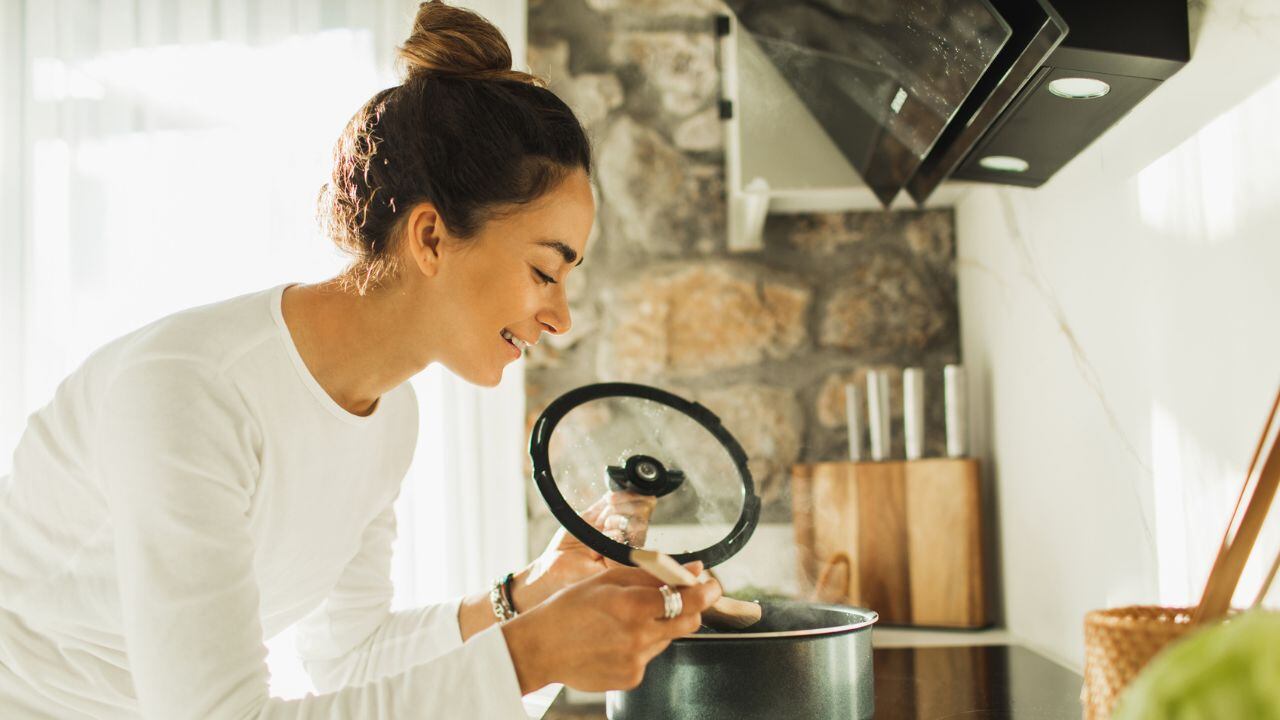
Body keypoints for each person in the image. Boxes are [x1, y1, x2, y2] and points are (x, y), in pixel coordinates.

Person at [0, 2, 721, 717]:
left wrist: (527, 596)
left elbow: (349, 655)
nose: (560, 317)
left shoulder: (389, 414)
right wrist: (530, 654)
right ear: (431, 237)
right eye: (544, 271)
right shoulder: (186, 394)